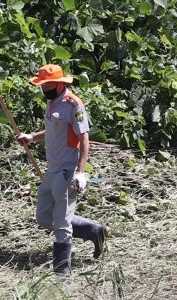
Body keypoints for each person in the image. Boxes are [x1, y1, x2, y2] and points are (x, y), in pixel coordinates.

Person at [14, 64, 108, 276]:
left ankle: (61, 272)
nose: (44, 89)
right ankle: (94, 231)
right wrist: (31, 137)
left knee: (62, 222)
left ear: (59, 83)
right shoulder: (52, 102)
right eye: (42, 85)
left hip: (67, 170)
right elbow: (51, 130)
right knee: (43, 217)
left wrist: (81, 172)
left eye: (47, 84)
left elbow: (84, 139)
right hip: (52, 169)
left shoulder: (73, 105)